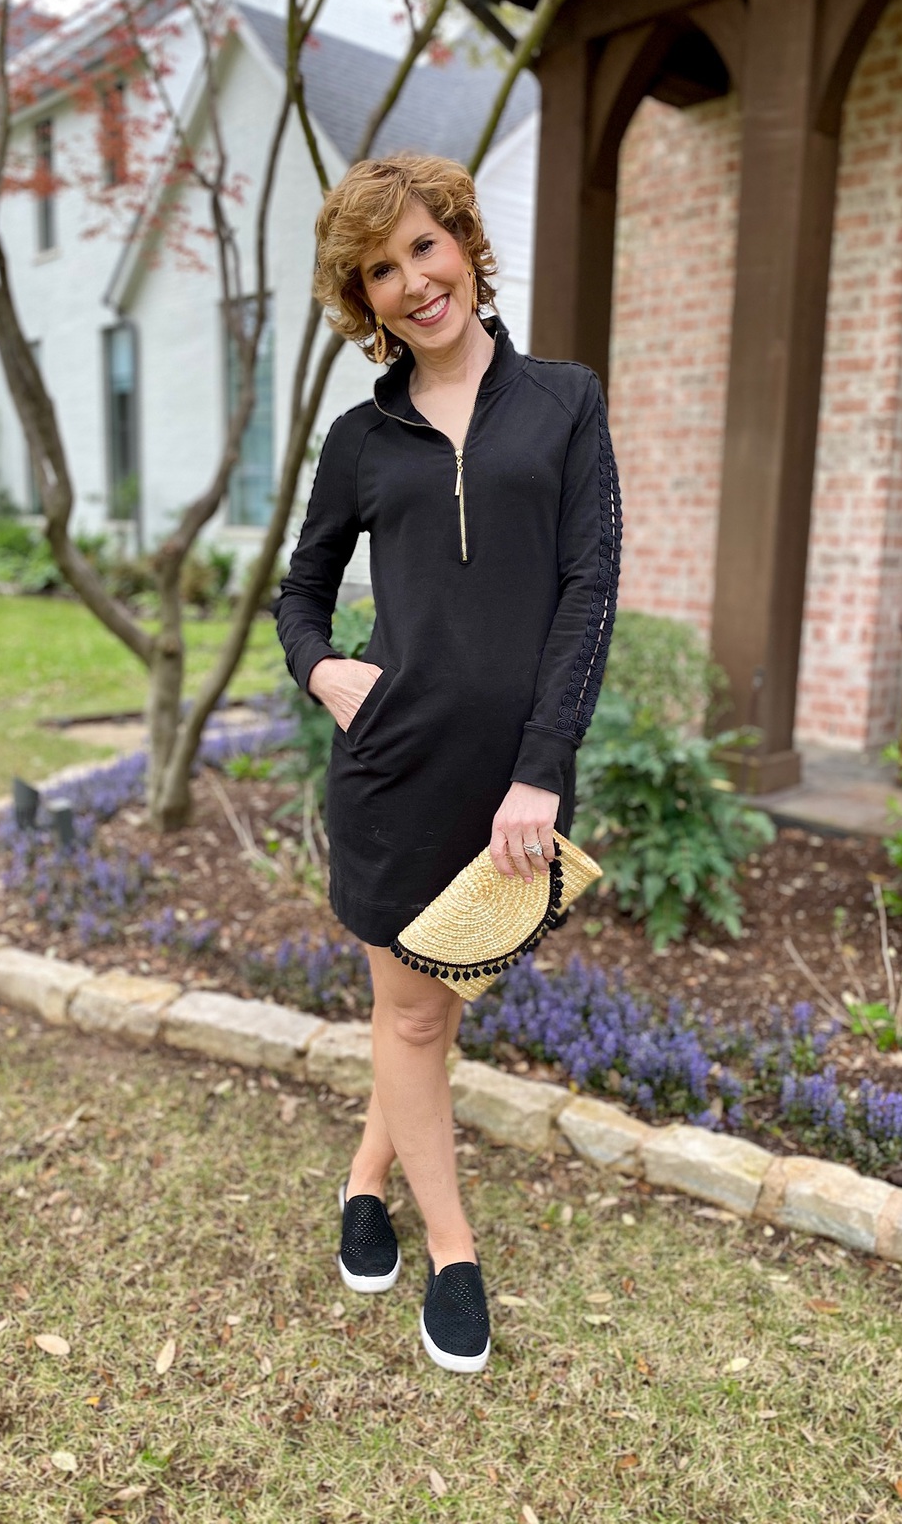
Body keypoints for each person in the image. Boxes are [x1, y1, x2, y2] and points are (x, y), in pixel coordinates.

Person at [275, 152, 622, 1372]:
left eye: (424, 246)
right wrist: (323, 669)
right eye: (379, 268)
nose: (412, 280)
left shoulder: (567, 401)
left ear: (466, 242)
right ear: (360, 299)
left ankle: (363, 1180)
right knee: (416, 1018)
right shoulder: (360, 441)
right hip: (392, 771)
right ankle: (455, 1250)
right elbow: (300, 594)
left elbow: (590, 590)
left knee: (421, 1012)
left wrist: (543, 766)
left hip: (511, 784)